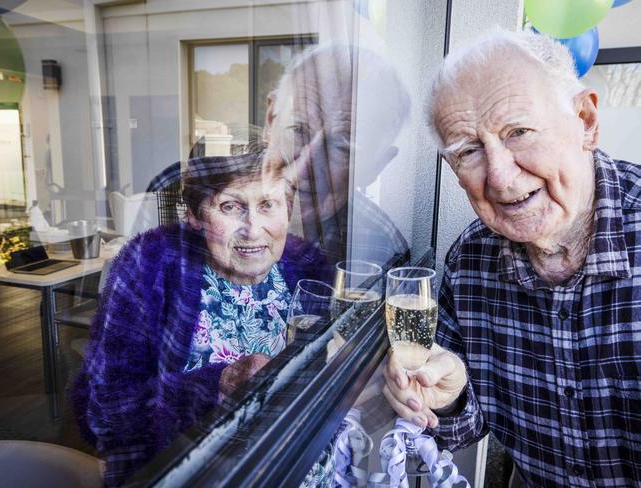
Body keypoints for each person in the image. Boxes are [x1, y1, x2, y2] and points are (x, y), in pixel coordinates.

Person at [383, 30, 641, 487]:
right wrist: (450, 394)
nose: (500, 178)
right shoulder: (469, 261)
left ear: (585, 121)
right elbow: (467, 425)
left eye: (518, 132)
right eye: (468, 151)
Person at [72, 151, 320, 486]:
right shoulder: (151, 267)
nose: (253, 229)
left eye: (268, 205)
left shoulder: (308, 266)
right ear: (194, 215)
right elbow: (101, 413)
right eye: (230, 206)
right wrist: (213, 386)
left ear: (288, 209)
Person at [265, 43, 411, 268]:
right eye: (298, 130)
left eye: (342, 148)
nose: (305, 169)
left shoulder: (380, 250)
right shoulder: (201, 202)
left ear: (376, 167)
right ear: (270, 120)